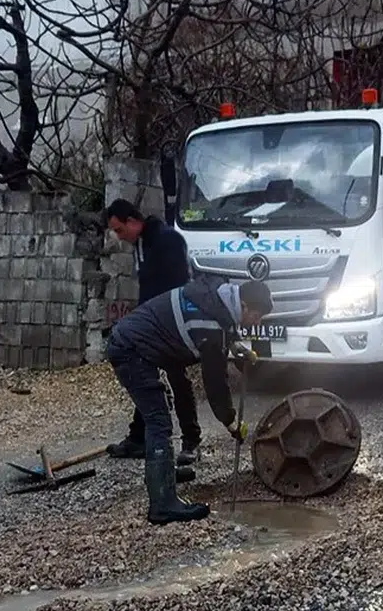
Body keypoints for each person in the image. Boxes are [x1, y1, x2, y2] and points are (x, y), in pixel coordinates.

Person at [106, 274, 273, 524]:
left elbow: (221, 325)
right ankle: (162, 505)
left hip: (150, 343)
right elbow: (215, 384)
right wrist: (231, 423)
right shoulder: (209, 325)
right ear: (245, 306)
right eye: (256, 316)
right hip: (131, 349)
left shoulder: (216, 295)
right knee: (159, 421)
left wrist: (235, 345)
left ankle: (160, 469)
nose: (256, 322)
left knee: (161, 402)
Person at [103, 199, 202, 467]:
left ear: (133, 221)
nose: (120, 238)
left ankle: (191, 441)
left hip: (171, 323)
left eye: (121, 231)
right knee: (144, 378)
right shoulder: (141, 245)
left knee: (177, 379)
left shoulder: (168, 241)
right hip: (150, 324)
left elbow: (178, 286)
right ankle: (139, 437)